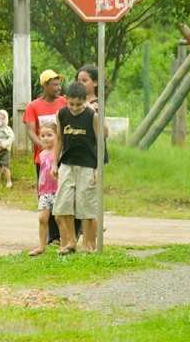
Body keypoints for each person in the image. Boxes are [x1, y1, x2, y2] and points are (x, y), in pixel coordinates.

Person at [52, 81, 99, 254]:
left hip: (87, 164)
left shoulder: (92, 115)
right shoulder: (62, 114)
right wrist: (55, 163)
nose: (74, 108)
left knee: (85, 203)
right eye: (71, 104)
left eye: (78, 104)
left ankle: (86, 244)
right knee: (64, 201)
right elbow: (59, 139)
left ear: (85, 100)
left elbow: (100, 142)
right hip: (67, 163)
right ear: (66, 99)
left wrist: (98, 168)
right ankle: (72, 240)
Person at [23, 69, 68, 244]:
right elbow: (30, 130)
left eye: (59, 84)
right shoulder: (33, 106)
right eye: (55, 85)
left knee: (62, 193)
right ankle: (53, 236)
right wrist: (45, 148)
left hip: (63, 157)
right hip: (43, 160)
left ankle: (66, 233)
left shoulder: (64, 102)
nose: (59, 88)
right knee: (45, 194)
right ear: (45, 86)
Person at [77, 64, 110, 250]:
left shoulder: (96, 104)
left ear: (95, 82)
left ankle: (91, 241)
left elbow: (104, 132)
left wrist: (90, 110)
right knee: (84, 197)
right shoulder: (76, 103)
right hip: (80, 153)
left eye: (85, 80)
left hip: (94, 153)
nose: (81, 84)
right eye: (79, 80)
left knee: (90, 198)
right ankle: (89, 241)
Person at [28, 122, 66, 256]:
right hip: (44, 192)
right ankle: (41, 246)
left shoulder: (60, 153)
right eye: (43, 135)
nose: (45, 138)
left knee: (60, 218)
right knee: (42, 219)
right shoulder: (42, 154)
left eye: (49, 135)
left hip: (57, 191)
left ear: (57, 136)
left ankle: (64, 245)